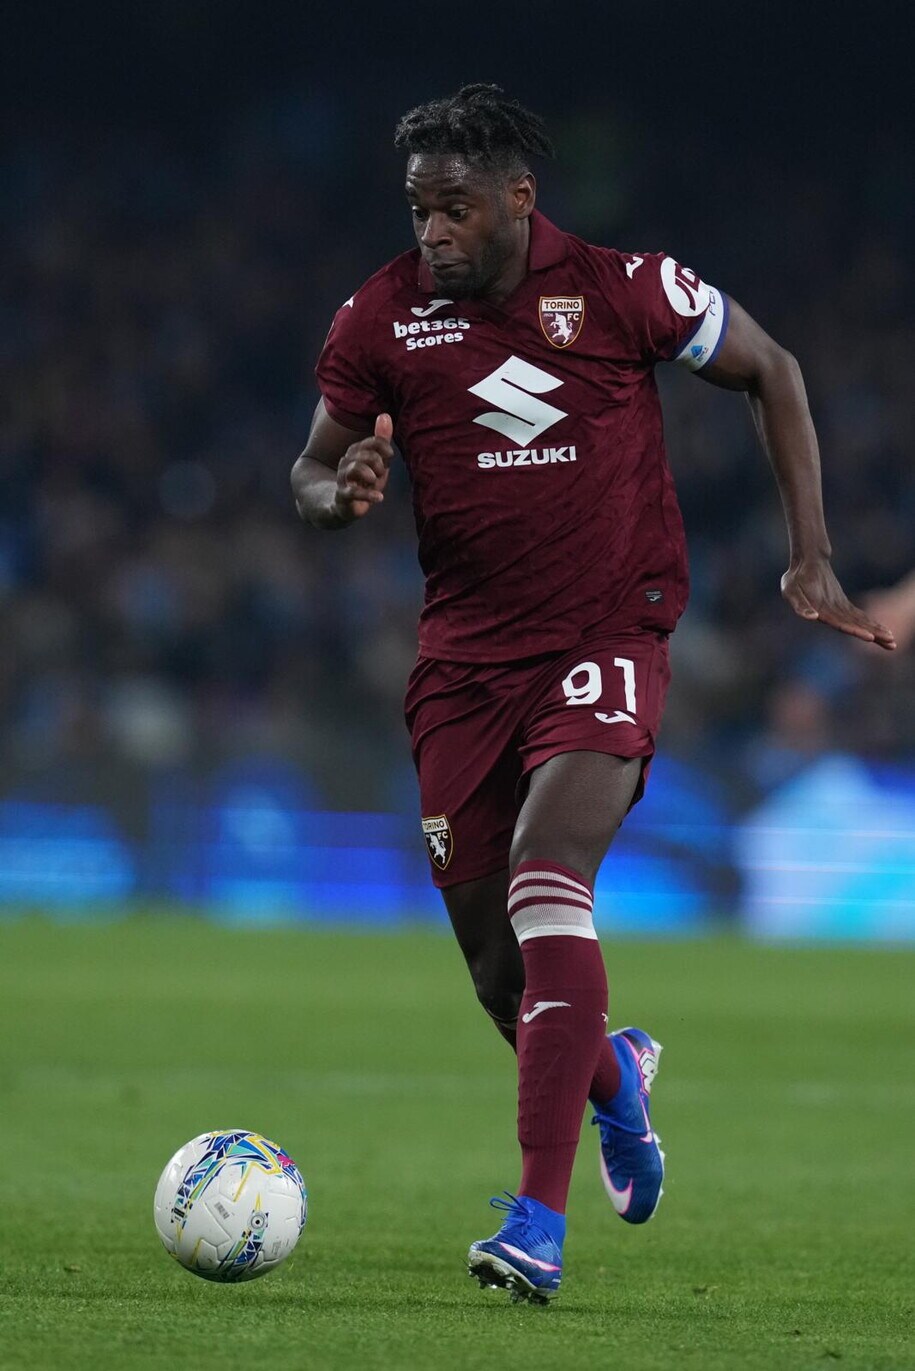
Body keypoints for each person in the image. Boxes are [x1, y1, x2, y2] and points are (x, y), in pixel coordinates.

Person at [290, 84, 896, 1303]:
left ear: (520, 198)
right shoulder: (381, 316)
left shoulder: (625, 290)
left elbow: (774, 369)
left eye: (456, 209)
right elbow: (310, 466)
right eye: (418, 211)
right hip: (463, 666)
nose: (433, 234)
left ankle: (535, 1221)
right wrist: (337, 493)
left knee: (546, 875)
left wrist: (812, 555)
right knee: (499, 978)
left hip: (610, 633)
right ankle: (616, 1076)